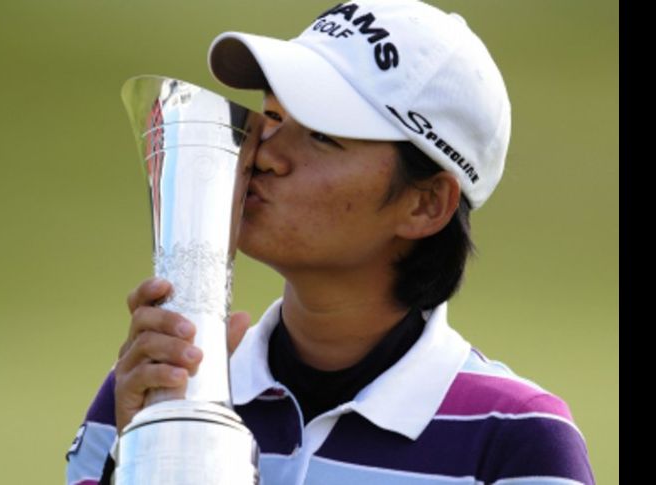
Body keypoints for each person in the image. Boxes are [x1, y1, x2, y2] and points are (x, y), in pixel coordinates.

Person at [66, 0, 595, 483]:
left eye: (321, 135)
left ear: (425, 204)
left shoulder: (517, 437)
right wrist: (150, 448)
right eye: (272, 115)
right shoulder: (150, 386)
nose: (264, 153)